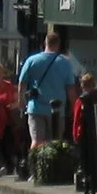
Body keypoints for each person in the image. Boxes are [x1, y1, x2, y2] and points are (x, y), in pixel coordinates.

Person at [17, 29, 80, 174]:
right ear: (58, 45)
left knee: (37, 141)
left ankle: (34, 172)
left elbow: (22, 82)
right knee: (56, 142)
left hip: (36, 107)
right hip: (58, 110)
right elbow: (70, 88)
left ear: (44, 43)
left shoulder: (32, 60)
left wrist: (21, 100)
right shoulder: (65, 63)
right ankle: (52, 171)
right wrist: (74, 107)